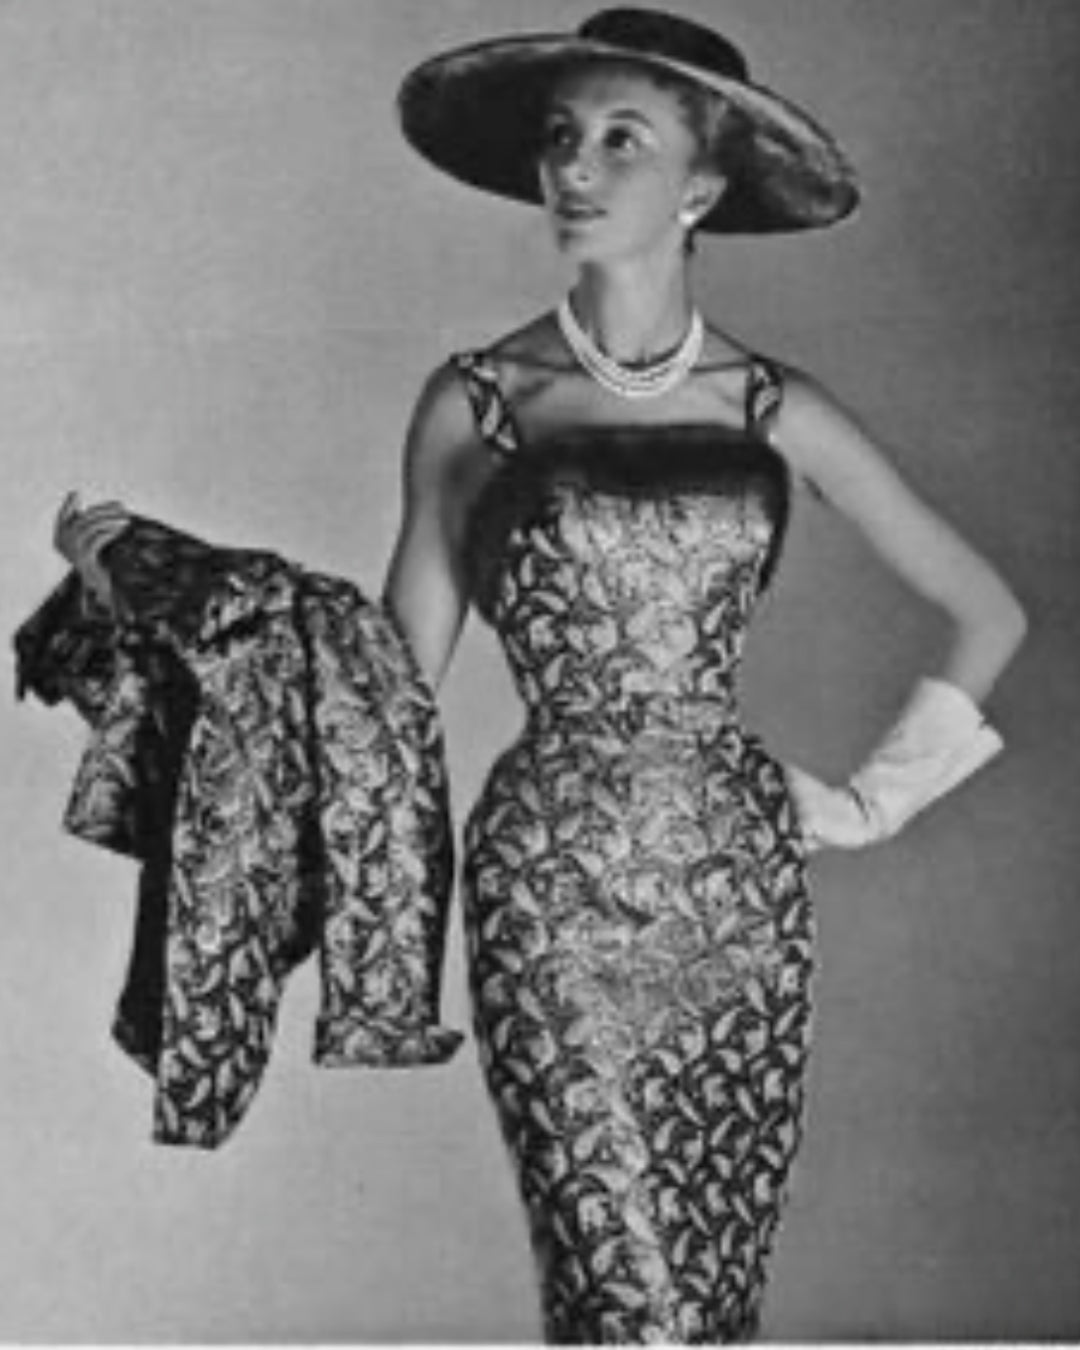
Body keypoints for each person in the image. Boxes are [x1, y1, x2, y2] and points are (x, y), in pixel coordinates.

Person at [55, 7, 1027, 1343]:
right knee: (619, 1294)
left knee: (710, 1301)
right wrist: (157, 583)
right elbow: (384, 694)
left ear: (702, 187)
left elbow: (988, 612)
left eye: (624, 139)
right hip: (549, 896)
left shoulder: (772, 407)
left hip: (740, 898)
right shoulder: (476, 402)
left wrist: (869, 806)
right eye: (561, 136)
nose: (574, 166)